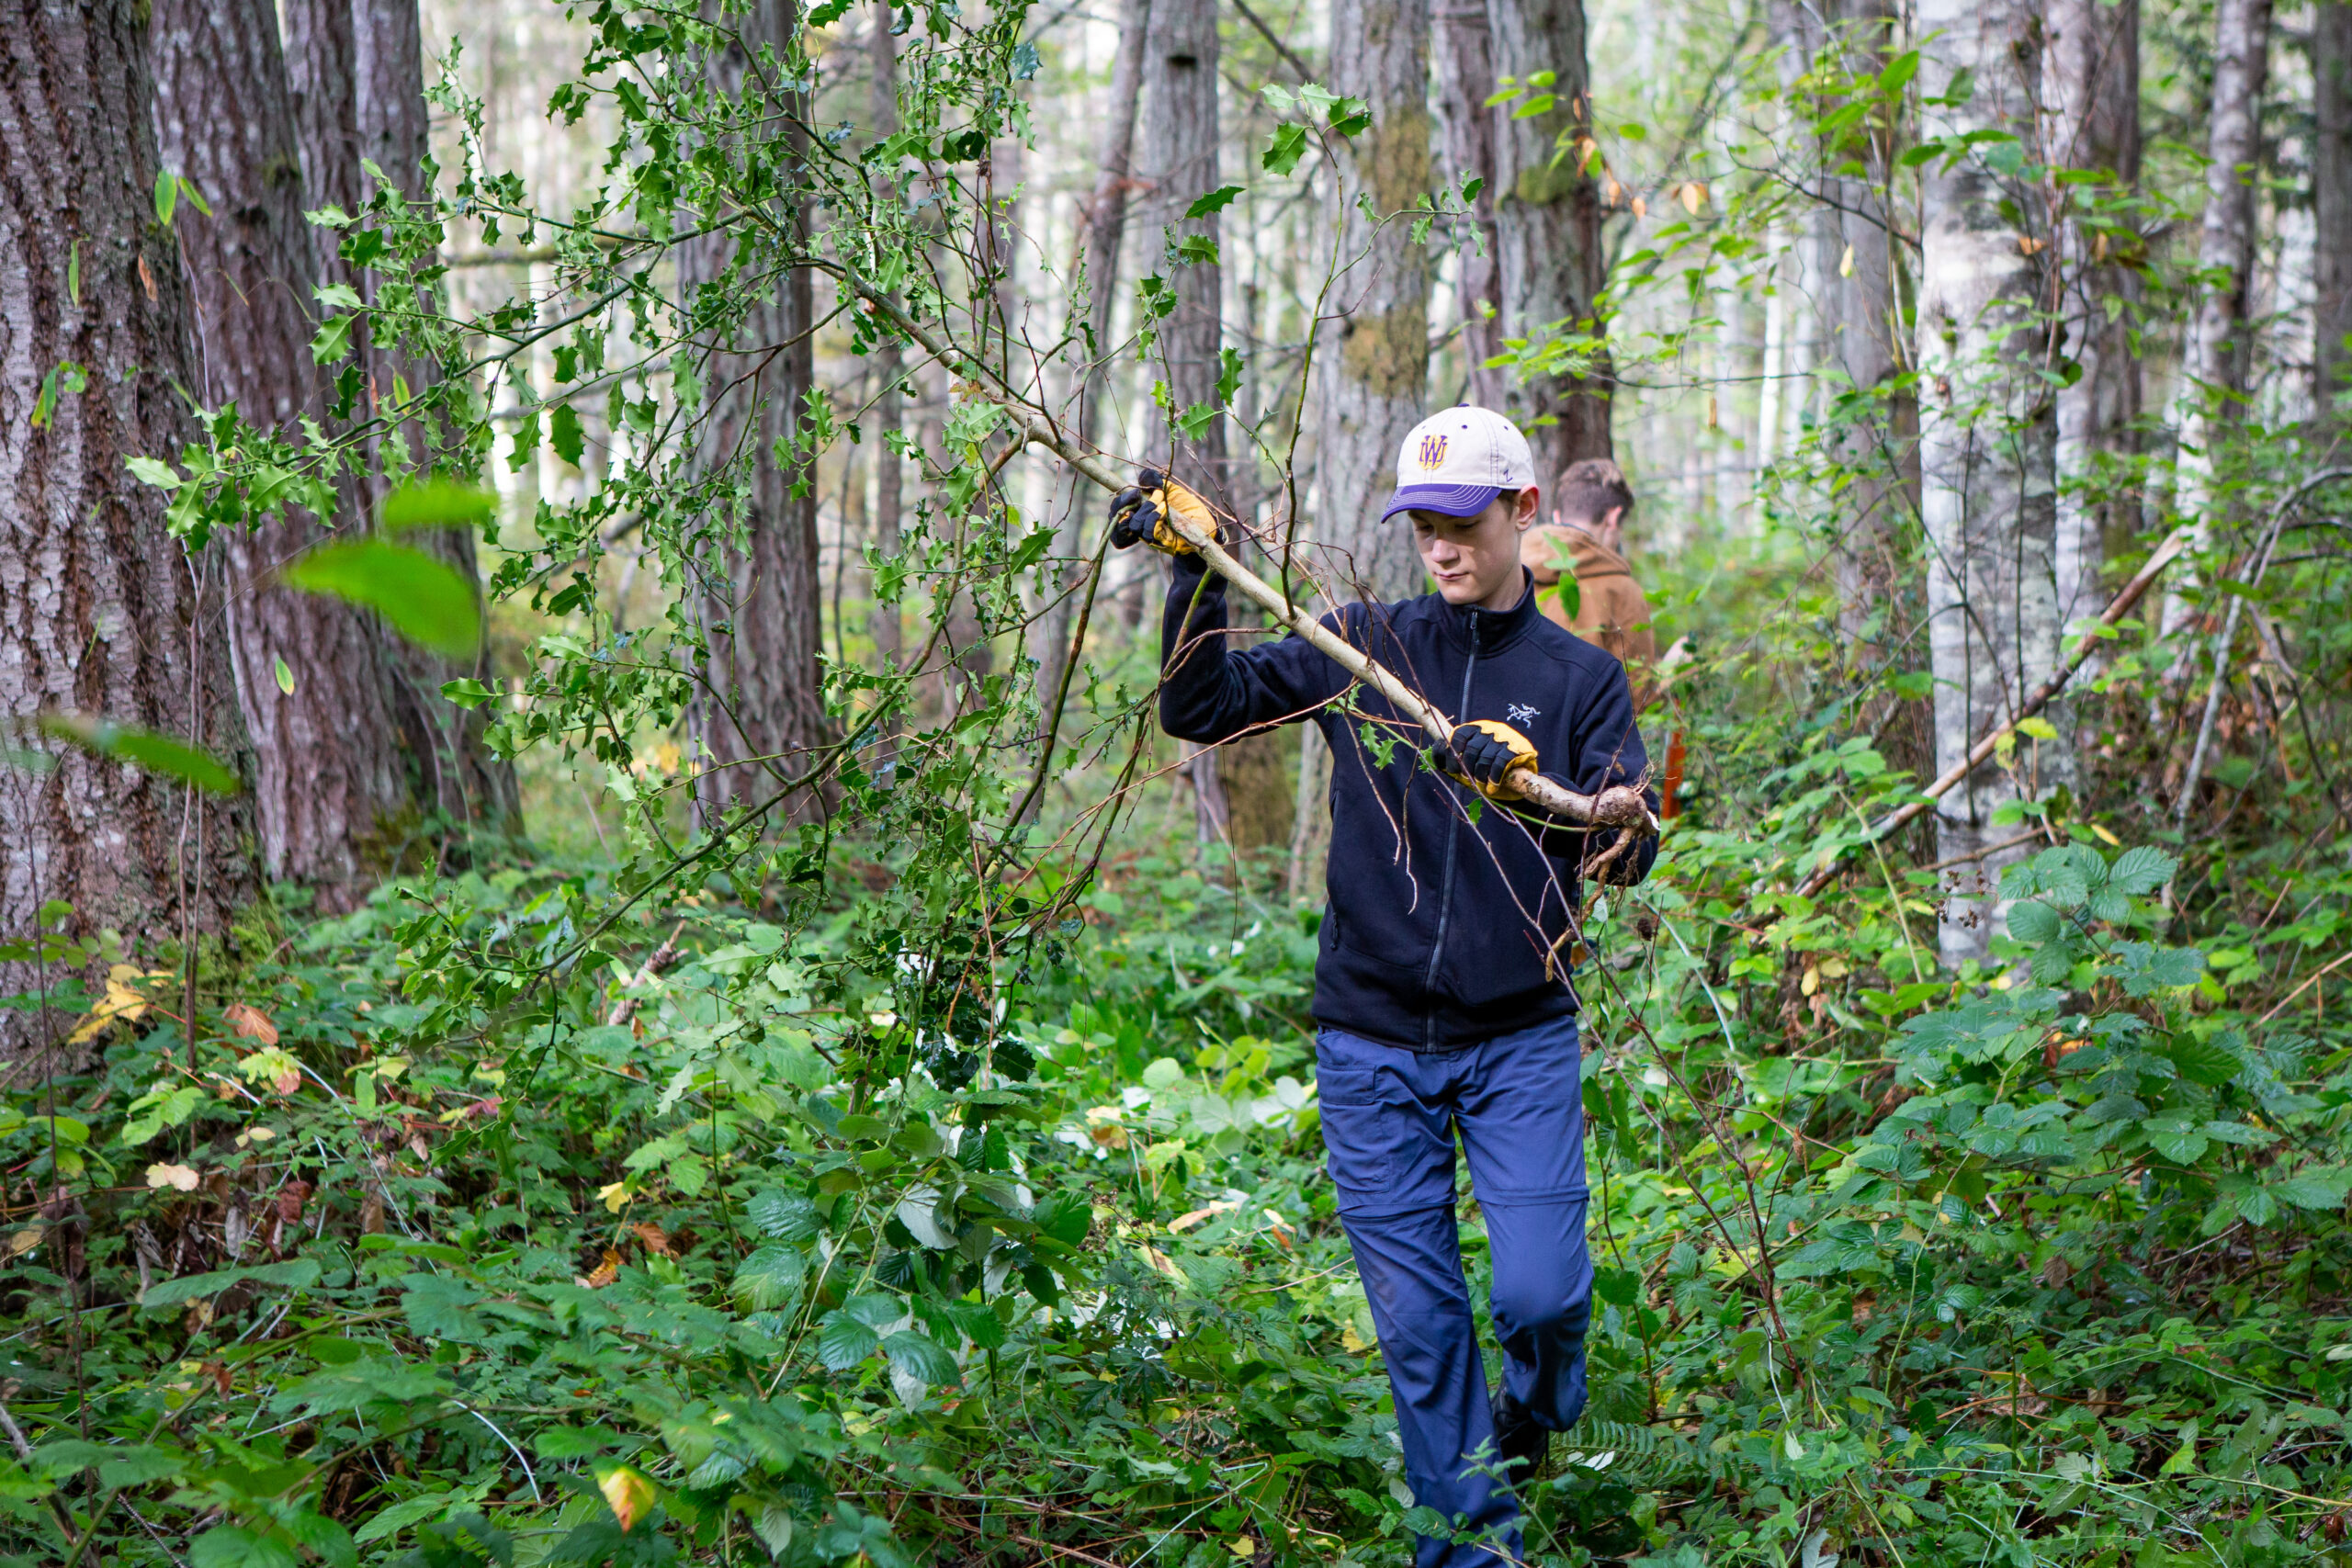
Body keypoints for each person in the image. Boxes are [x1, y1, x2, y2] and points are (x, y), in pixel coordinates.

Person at [1109, 406, 1657, 1568]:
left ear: (1521, 513)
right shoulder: (1364, 645)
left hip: (1519, 1038)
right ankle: (1471, 1552)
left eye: (1464, 524)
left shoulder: (1582, 680)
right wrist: (1200, 573)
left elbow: (1624, 834)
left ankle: (1535, 1416)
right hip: (1369, 1043)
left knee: (1546, 1299)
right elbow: (1198, 710)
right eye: (1422, 530)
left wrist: (1543, 793)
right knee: (1419, 1330)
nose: (1444, 550)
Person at [1521, 457, 1657, 683]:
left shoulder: (1512, 573)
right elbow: (1640, 695)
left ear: (1557, 517)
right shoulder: (1622, 591)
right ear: (1613, 518)